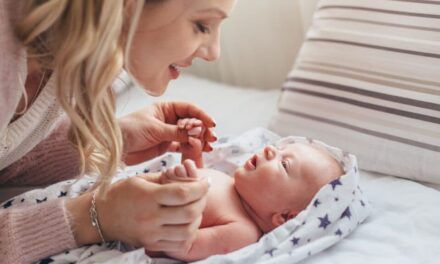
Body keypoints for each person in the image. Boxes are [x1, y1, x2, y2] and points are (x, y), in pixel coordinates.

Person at [0, 0, 236, 263]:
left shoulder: (64, 52)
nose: (214, 52)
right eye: (202, 25)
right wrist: (93, 218)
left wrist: (103, 142)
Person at [153, 120, 344, 261]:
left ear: (285, 217)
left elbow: (186, 247)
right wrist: (192, 154)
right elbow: (199, 179)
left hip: (140, 222)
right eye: (279, 149)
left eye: (284, 164)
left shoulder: (243, 231)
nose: (270, 149)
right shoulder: (231, 185)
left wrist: (177, 193)